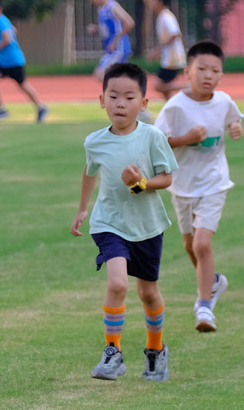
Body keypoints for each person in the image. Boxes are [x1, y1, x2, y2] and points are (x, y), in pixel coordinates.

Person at [70, 62, 178, 381]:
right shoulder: (94, 141)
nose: (120, 103)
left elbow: (167, 177)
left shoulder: (152, 137)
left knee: (148, 293)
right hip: (109, 222)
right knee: (117, 283)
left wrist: (142, 182)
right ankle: (112, 352)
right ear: (101, 99)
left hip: (147, 225)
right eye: (113, 96)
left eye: (129, 97)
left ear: (143, 103)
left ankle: (156, 350)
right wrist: (82, 209)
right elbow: (90, 172)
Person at [155, 41, 243, 332]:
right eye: (201, 68)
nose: (208, 75)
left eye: (215, 70)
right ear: (187, 71)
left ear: (221, 75)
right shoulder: (175, 107)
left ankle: (204, 308)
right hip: (182, 184)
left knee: (202, 243)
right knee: (189, 245)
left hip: (214, 182)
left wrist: (235, 128)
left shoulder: (224, 101)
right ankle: (214, 282)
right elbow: (159, 143)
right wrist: (187, 139)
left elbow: (234, 120)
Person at [0, 0, 49, 123]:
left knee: (23, 85)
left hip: (13, 60)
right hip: (3, 60)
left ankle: (41, 107)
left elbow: (7, 38)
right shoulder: (1, 21)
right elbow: (14, 31)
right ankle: (2, 109)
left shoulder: (0, 22)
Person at [88, 0, 136, 83]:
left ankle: (121, 93)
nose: (92, 0)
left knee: (101, 73)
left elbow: (129, 22)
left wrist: (116, 40)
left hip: (118, 48)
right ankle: (124, 93)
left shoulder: (112, 6)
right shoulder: (102, 9)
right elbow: (108, 28)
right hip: (111, 48)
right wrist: (96, 28)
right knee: (115, 76)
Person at [147, 0, 186, 100]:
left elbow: (175, 34)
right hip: (170, 58)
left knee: (159, 86)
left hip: (172, 59)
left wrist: (157, 50)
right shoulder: (163, 16)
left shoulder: (165, 16)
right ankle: (172, 111)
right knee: (165, 88)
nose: (151, 1)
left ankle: (189, 87)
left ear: (159, 0)